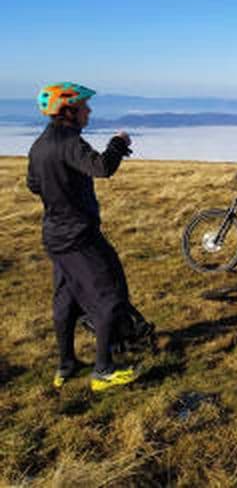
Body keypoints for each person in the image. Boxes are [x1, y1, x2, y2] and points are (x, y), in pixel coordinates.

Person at [27, 82, 141, 391]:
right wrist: (118, 143)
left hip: (55, 237)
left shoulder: (39, 145)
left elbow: (34, 185)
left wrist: (62, 187)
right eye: (84, 107)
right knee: (110, 293)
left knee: (66, 300)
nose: (89, 111)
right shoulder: (69, 142)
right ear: (68, 111)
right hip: (79, 237)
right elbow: (102, 168)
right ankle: (103, 370)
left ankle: (66, 365)